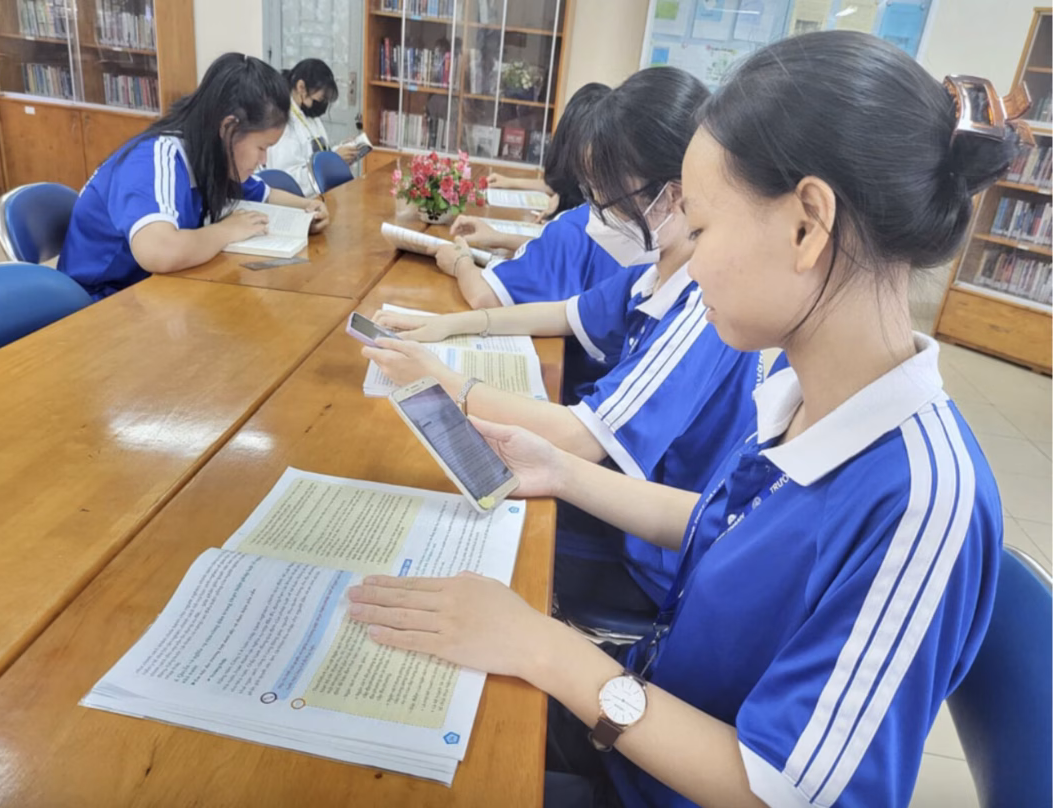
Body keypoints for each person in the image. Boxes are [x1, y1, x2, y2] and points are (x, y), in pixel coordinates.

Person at [348, 31, 1010, 808]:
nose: (688, 264)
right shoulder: (806, 399)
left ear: (807, 226)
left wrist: (542, 646)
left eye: (700, 228)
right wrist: (561, 471)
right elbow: (726, 526)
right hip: (641, 729)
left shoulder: (924, 498)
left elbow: (782, 791)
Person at [364, 67, 763, 612]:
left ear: (671, 198)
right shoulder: (655, 273)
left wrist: (442, 380)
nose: (596, 215)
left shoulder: (700, 305)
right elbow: (564, 315)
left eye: (608, 197)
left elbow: (580, 438)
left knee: (447, 528)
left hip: (652, 561)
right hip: (626, 508)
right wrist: (451, 326)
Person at [59, 53, 328, 300]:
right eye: (262, 147)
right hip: (100, 302)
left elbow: (264, 194)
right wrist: (226, 231)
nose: (264, 160)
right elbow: (160, 251)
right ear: (229, 128)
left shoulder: (214, 153)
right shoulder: (155, 158)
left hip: (158, 291)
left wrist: (307, 209)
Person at [429, 81, 613, 309]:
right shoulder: (609, 218)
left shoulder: (576, 225)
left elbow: (485, 297)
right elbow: (560, 254)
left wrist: (460, 263)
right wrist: (498, 237)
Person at [265, 58, 361, 197]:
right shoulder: (283, 121)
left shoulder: (309, 114)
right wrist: (333, 160)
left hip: (320, 197)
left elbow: (316, 154)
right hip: (298, 202)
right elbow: (289, 181)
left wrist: (341, 152)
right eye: (320, 99)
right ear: (301, 87)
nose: (322, 105)